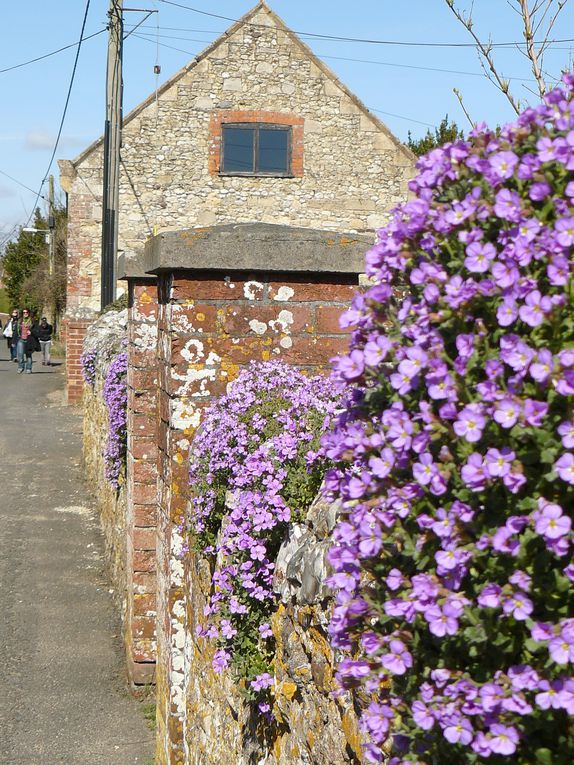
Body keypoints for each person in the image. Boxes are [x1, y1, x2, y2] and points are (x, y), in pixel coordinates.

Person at [16, 308, 40, 374]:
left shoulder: (33, 321)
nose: (25, 313)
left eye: (26, 312)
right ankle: (21, 367)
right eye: (24, 312)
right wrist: (14, 341)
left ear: (28, 313)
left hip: (29, 340)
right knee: (20, 354)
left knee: (28, 355)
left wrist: (31, 332)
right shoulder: (20, 321)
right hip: (21, 339)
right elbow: (16, 331)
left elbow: (37, 330)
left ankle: (29, 368)